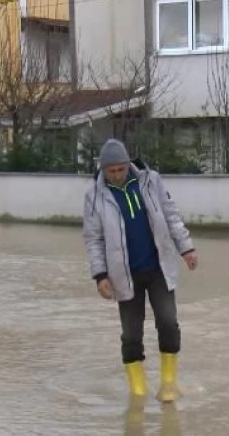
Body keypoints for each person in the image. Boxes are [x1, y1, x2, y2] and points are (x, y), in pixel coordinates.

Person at [82, 138, 198, 403]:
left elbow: (171, 215)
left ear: (127, 164)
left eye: (120, 169)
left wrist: (187, 248)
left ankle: (168, 384)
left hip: (158, 269)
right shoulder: (94, 196)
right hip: (125, 277)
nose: (117, 175)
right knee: (131, 335)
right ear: (103, 170)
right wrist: (100, 275)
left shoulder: (150, 180)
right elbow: (93, 239)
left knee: (168, 322)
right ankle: (138, 392)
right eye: (111, 172)